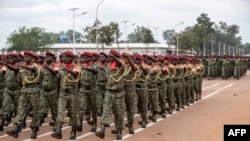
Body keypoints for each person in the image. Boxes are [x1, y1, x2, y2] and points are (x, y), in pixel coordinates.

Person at [6, 51, 41, 139]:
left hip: (34, 91)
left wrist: (23, 66)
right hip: (24, 91)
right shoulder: (22, 68)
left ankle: (34, 130)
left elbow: (33, 69)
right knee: (21, 110)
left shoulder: (35, 66)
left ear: (32, 59)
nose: (25, 59)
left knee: (35, 112)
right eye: (24, 57)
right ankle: (16, 129)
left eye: (27, 57)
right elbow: (19, 77)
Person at [95, 49, 126, 140]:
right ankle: (102, 130)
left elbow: (121, 65)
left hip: (118, 93)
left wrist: (115, 59)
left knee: (119, 113)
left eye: (110, 55)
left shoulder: (121, 65)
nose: (108, 57)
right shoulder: (108, 66)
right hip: (109, 92)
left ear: (115, 57)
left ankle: (119, 131)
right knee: (106, 111)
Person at [51, 51, 81, 140]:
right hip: (62, 93)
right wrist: (57, 93)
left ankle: (73, 132)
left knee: (73, 114)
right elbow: (58, 81)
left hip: (73, 94)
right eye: (65, 57)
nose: (66, 59)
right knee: (60, 112)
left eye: (68, 57)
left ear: (72, 58)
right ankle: (59, 132)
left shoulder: (76, 67)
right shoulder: (60, 67)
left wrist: (67, 69)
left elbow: (76, 75)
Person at [77, 51, 98, 132]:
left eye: (86, 57)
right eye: (83, 57)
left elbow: (94, 70)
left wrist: (85, 68)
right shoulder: (81, 66)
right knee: (82, 107)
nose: (84, 59)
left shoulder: (94, 65)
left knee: (94, 108)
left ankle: (94, 124)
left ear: (90, 58)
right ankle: (80, 124)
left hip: (92, 90)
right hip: (83, 90)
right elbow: (79, 78)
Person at [0, 53, 20, 131]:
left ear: (15, 59)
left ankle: (18, 125)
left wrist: (6, 64)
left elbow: (16, 70)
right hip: (7, 90)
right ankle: (1, 123)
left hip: (16, 91)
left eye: (12, 59)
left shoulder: (17, 66)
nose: (10, 60)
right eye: (9, 59)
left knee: (18, 108)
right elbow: (3, 72)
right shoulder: (6, 66)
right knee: (4, 106)